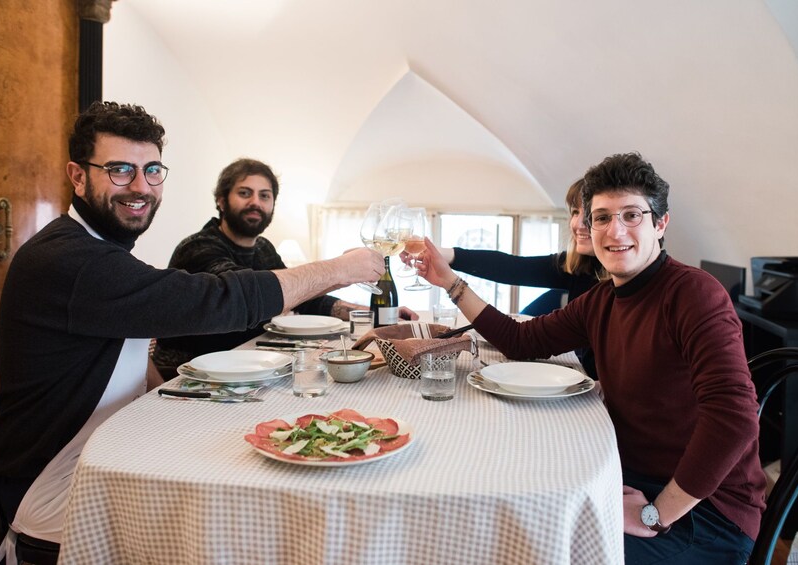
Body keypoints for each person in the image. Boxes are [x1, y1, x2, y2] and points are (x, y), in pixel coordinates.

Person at [0, 102, 385, 548]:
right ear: (78, 176)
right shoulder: (70, 260)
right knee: (257, 511)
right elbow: (215, 299)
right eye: (120, 170)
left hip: (106, 443)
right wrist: (341, 268)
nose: (140, 186)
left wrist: (170, 396)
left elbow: (127, 354)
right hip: (53, 481)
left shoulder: (101, 252)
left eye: (152, 170)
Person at [415, 152, 765, 563]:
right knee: (509, 512)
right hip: (627, 475)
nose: (615, 231)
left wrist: (656, 514)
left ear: (661, 223)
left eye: (631, 215)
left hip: (705, 514)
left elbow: (735, 417)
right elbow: (521, 341)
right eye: (601, 217)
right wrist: (450, 282)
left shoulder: (694, 295)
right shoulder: (602, 299)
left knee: (549, 552)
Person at [152, 158, 418, 376]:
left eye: (264, 196)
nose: (255, 202)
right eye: (245, 193)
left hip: (250, 364)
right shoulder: (199, 248)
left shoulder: (263, 247)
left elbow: (304, 298)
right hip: (190, 373)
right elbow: (247, 293)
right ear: (221, 201)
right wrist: (339, 269)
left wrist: (366, 313)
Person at [401, 179, 604, 378]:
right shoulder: (582, 267)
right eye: (575, 212)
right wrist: (443, 255)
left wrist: (450, 281)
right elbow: (512, 267)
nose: (577, 224)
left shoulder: (605, 293)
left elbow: (518, 341)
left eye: (592, 215)